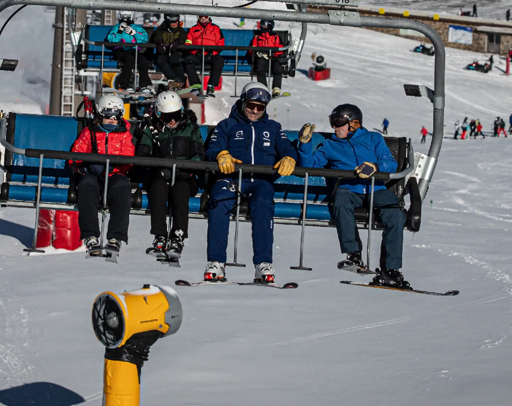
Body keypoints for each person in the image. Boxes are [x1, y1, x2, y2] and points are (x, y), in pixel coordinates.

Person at [299, 103, 406, 288]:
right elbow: (310, 166)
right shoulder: (330, 145)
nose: (335, 127)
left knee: (395, 215)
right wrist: (305, 144)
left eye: (339, 122)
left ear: (354, 123)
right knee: (340, 201)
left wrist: (375, 167)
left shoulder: (373, 138)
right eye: (333, 122)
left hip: (376, 189)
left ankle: (391, 270)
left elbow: (389, 162)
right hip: (348, 191)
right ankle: (353, 254)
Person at [203, 83, 298, 283]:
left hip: (260, 180)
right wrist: (221, 154)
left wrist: (290, 157)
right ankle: (216, 262)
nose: (255, 111)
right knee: (219, 200)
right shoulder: (227, 125)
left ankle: (263, 263)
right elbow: (212, 148)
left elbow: (286, 146)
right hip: (231, 178)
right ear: (243, 102)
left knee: (263, 203)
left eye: (260, 107)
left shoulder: (272, 128)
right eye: (251, 105)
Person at [134, 91, 203, 256]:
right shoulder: (152, 130)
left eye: (175, 115)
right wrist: (158, 166)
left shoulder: (191, 129)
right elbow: (142, 154)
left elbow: (199, 154)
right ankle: (160, 235)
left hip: (185, 177)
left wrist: (186, 168)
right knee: (157, 188)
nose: (172, 120)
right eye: (167, 117)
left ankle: (178, 235)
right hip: (161, 176)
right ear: (159, 115)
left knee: (180, 190)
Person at [68, 93, 135, 255]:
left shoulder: (124, 134)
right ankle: (90, 234)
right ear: (100, 114)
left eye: (116, 115)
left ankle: (116, 236)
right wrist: (84, 166)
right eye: (108, 115)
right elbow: (75, 155)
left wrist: (113, 166)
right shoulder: (89, 132)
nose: (112, 119)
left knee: (121, 187)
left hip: (114, 174)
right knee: (86, 185)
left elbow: (129, 157)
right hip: (93, 173)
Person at [105, 13, 148, 91]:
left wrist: (135, 34)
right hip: (121, 50)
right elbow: (111, 40)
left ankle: (144, 84)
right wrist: (120, 31)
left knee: (143, 60)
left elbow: (144, 39)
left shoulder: (137, 28)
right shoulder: (116, 27)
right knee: (129, 59)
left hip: (133, 50)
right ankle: (124, 84)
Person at [183, 13, 225, 95]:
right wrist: (195, 52)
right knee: (187, 60)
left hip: (211, 55)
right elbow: (188, 43)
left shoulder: (215, 29)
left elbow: (220, 44)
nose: (203, 19)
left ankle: (211, 85)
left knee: (219, 60)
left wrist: (212, 53)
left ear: (209, 17)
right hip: (197, 54)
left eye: (205, 17)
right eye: (200, 17)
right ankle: (196, 85)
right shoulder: (193, 29)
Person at [148, 13, 189, 88]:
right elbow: (156, 37)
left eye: (176, 22)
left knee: (174, 59)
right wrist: (160, 43)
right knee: (161, 60)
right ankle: (174, 78)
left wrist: (177, 43)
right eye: (173, 23)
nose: (175, 24)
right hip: (164, 51)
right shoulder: (160, 30)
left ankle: (181, 80)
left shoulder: (180, 30)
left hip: (176, 51)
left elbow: (183, 38)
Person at [248, 18, 286, 94]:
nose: (262, 28)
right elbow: (251, 49)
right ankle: (263, 87)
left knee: (277, 67)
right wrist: (256, 53)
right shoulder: (257, 37)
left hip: (274, 57)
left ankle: (276, 88)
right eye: (261, 26)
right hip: (262, 57)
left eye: (264, 26)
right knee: (260, 66)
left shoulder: (276, 37)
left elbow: (281, 48)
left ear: (270, 26)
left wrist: (274, 53)